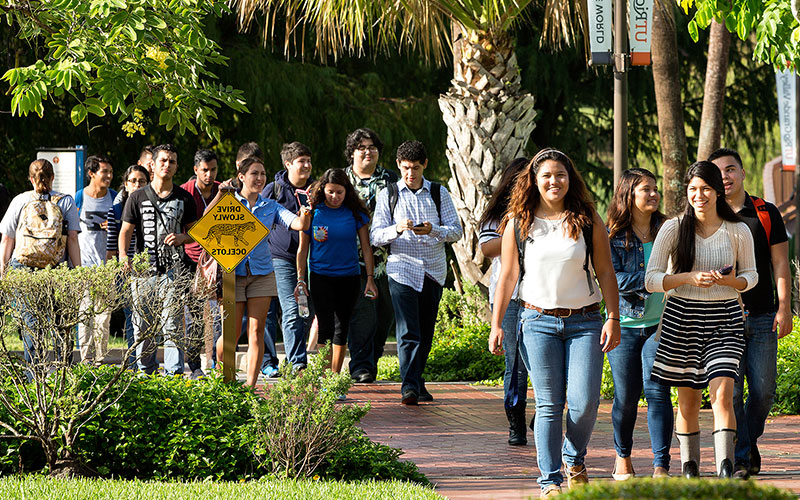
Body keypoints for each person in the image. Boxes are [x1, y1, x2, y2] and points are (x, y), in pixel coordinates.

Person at [489, 148, 621, 498]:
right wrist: (497, 324)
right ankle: (549, 481)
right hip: (536, 321)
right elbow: (506, 277)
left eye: (560, 175)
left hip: (586, 322)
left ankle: (573, 457)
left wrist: (613, 317)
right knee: (548, 404)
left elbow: (605, 271)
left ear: (569, 178)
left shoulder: (587, 217)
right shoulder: (518, 222)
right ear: (534, 180)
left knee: (585, 402)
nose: (554, 181)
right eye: (546, 175)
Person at [645, 161, 757, 479]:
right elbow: (651, 279)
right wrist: (688, 278)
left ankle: (725, 467)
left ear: (718, 191)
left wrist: (732, 282)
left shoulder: (738, 230)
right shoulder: (672, 228)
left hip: (726, 317)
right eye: (693, 189)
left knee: (722, 393)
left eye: (706, 189)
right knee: (689, 398)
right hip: (681, 317)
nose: (699, 195)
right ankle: (689, 467)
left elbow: (752, 275)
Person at [709, 148, 792, 479]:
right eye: (718, 173)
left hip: (761, 314)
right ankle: (742, 457)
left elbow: (780, 263)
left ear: (743, 173)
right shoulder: (706, 213)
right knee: (732, 391)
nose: (725, 177)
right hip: (720, 316)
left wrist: (784, 306)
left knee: (763, 390)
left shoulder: (765, 212)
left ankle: (747, 442)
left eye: (731, 170)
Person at [370, 140, 463, 405]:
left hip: (433, 270)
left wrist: (433, 229)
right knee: (408, 330)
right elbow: (376, 236)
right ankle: (408, 386)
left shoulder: (438, 192)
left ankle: (418, 380)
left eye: (416, 168)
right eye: (406, 168)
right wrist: (397, 229)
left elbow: (456, 231)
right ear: (398, 165)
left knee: (425, 331)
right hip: (401, 269)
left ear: (425, 165)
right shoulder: (388, 194)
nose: (411, 174)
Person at [208, 157, 310, 386]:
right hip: (232, 274)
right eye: (254, 173)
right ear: (241, 177)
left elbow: (299, 225)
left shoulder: (270, 206)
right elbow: (206, 220)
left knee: (256, 331)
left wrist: (306, 210)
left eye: (263, 174)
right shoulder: (229, 200)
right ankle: (223, 374)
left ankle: (250, 387)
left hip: (262, 273)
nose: (260, 178)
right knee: (231, 334)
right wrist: (220, 195)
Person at [605, 168, 673, 479]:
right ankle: (623, 456)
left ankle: (661, 465)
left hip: (662, 324)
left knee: (658, 391)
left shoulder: (668, 229)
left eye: (655, 188)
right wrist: (656, 281)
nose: (654, 194)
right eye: (646, 189)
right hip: (626, 327)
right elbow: (614, 280)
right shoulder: (614, 236)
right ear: (628, 195)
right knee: (626, 396)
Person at [119, 144, 197, 375]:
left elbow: (196, 232)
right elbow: (125, 231)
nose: (167, 165)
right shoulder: (137, 197)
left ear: (176, 166)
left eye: (172, 161)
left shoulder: (185, 198)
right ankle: (146, 375)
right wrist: (124, 257)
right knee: (143, 326)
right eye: (163, 160)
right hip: (143, 272)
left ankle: (173, 375)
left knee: (173, 325)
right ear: (152, 164)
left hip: (173, 271)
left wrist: (183, 237)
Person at [0, 159, 81, 366]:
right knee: (62, 323)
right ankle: (66, 377)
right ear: (52, 177)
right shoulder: (66, 201)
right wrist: (78, 272)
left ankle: (34, 377)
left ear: (29, 178)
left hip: (23, 269)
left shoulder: (20, 201)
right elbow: (72, 238)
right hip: (56, 268)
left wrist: (3, 272)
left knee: (31, 323)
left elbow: (7, 239)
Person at [296, 168, 376, 375]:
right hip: (321, 277)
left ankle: (334, 378)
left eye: (339, 192)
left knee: (342, 328)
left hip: (349, 277)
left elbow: (366, 248)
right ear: (324, 189)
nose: (335, 197)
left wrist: (369, 278)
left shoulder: (355, 213)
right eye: (331, 192)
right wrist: (301, 279)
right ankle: (324, 379)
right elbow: (302, 249)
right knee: (325, 327)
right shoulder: (312, 212)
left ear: (346, 191)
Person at [478, 157, 530, 445]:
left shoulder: (552, 213)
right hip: (510, 298)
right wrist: (518, 230)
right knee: (516, 364)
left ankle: (548, 409)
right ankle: (516, 423)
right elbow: (486, 248)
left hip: (547, 297)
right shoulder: (498, 216)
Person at [344, 128, 398, 383]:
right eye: (362, 148)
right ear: (352, 153)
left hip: (386, 260)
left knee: (384, 314)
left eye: (372, 147)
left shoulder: (391, 179)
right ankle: (360, 366)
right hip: (350, 260)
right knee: (361, 314)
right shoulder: (340, 180)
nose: (368, 151)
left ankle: (372, 360)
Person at [263, 142, 315, 375]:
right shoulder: (273, 190)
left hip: (312, 260)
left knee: (306, 312)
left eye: (308, 161)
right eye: (301, 161)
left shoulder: (317, 190)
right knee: (291, 310)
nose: (306, 165)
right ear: (288, 164)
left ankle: (295, 358)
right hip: (280, 258)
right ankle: (297, 364)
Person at [180, 149, 221, 378]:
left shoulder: (222, 190)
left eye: (213, 169)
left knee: (216, 314)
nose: (209, 174)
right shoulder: (184, 192)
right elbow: (199, 225)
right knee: (193, 315)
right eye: (204, 170)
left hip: (217, 259)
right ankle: (195, 366)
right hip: (190, 257)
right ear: (196, 170)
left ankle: (214, 361)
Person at [106, 164, 149, 367]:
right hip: (126, 270)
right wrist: (111, 272)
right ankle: (133, 364)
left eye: (141, 181)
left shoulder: (152, 207)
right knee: (132, 319)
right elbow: (111, 245)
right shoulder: (115, 210)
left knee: (147, 320)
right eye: (133, 181)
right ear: (125, 184)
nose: (137, 185)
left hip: (149, 269)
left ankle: (146, 365)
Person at [75, 155, 116, 365]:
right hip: (85, 266)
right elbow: (71, 231)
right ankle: (86, 360)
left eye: (110, 171)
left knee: (103, 317)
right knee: (85, 315)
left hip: (107, 267)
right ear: (91, 174)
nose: (109, 176)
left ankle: (100, 360)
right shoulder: (80, 197)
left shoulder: (115, 198)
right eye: (104, 172)